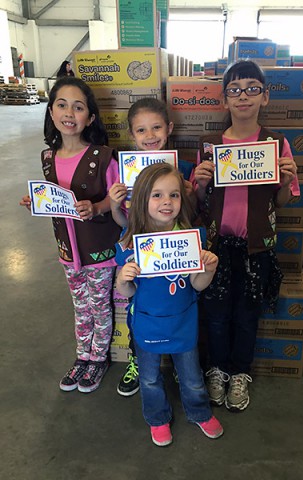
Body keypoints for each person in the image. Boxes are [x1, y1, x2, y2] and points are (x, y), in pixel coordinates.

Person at [193, 59, 300, 412]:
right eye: (235, 90)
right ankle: (218, 369)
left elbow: (282, 201)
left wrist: (284, 181)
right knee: (218, 315)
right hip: (216, 248)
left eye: (252, 89)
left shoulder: (275, 143)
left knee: (247, 314)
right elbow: (199, 202)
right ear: (224, 100)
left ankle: (240, 372)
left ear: (265, 97)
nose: (243, 96)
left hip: (258, 249)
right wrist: (201, 184)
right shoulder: (209, 145)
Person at [20, 76, 121, 393]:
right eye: (61, 105)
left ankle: (98, 359)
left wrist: (98, 207)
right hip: (67, 251)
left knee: (100, 307)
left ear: (89, 117)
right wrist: (36, 202)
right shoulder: (48, 158)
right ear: (51, 112)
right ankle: (82, 357)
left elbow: (117, 198)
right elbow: (54, 200)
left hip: (98, 251)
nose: (69, 113)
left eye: (78, 107)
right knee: (80, 306)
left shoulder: (102, 157)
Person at [116, 162, 223, 446]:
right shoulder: (129, 241)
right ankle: (157, 418)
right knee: (149, 379)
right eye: (157, 195)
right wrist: (124, 278)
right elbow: (126, 292)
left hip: (183, 321)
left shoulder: (191, 238)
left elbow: (197, 285)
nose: (167, 202)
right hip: (147, 323)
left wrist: (208, 270)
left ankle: (199, 412)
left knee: (192, 376)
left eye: (174, 195)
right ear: (141, 199)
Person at [109, 97, 196, 397]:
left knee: (173, 305)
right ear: (132, 135)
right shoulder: (126, 171)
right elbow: (123, 221)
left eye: (156, 127)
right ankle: (139, 362)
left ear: (169, 128)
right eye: (142, 130)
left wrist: (189, 191)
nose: (150, 136)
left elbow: (191, 214)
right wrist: (112, 203)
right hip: (139, 250)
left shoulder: (183, 167)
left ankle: (182, 366)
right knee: (140, 311)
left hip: (172, 250)